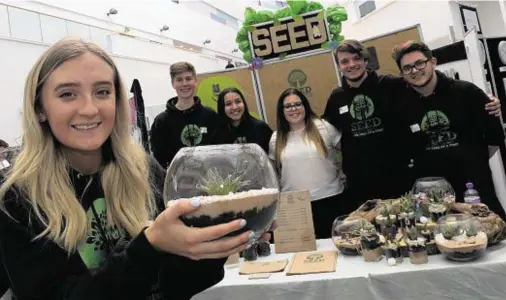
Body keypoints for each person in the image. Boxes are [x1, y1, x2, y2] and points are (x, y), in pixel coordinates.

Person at [0, 38, 262, 300]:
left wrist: (213, 242)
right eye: (67, 94)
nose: (90, 109)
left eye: (102, 92)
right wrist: (148, 247)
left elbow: (175, 284)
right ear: (39, 108)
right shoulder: (18, 200)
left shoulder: (142, 171)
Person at [323, 39, 502, 205]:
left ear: (366, 60)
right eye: (344, 61)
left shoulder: (393, 86)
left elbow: (493, 137)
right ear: (338, 67)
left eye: (356, 58)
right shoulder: (336, 98)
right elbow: (328, 134)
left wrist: (474, 161)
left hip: (401, 180)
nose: (352, 65)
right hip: (362, 184)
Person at [391, 40, 506, 217]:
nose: (415, 71)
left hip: (475, 191)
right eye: (407, 68)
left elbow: (494, 138)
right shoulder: (401, 107)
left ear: (433, 62)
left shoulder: (467, 92)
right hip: (433, 199)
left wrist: (471, 160)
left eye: (420, 63)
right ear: (401, 73)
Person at [269, 88, 346, 239]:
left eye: (298, 104)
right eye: (288, 106)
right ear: (282, 111)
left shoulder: (323, 127)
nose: (293, 109)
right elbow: (275, 172)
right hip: (295, 207)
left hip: (330, 200)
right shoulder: (276, 138)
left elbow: (347, 152)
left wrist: (342, 173)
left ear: (305, 106)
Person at [150, 62, 217, 169]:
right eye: (179, 80)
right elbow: (159, 163)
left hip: (210, 182)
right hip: (178, 184)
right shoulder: (161, 122)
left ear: (195, 81)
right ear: (173, 84)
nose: (184, 83)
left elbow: (220, 153)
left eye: (188, 78)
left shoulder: (210, 116)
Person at [213, 87, 272, 153]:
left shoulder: (260, 128)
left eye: (238, 102)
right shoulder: (217, 132)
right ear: (222, 108)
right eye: (228, 104)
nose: (235, 107)